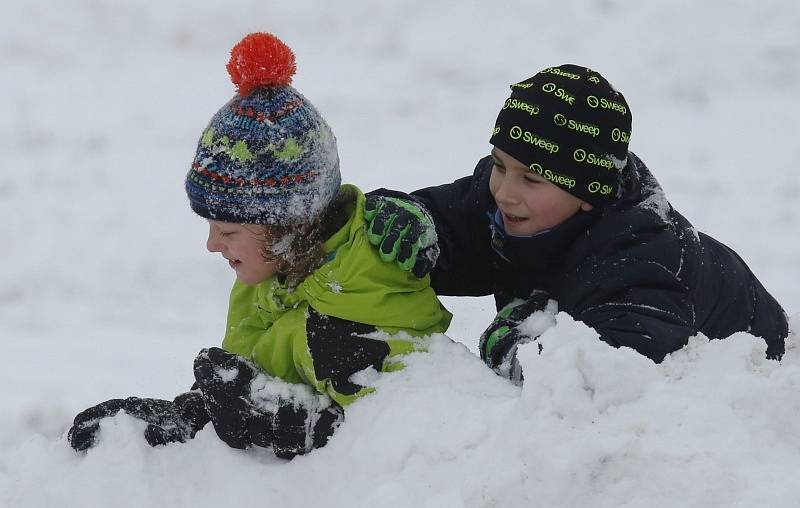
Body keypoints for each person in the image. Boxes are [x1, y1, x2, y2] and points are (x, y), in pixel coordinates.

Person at [67, 33, 451, 458]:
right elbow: (250, 373)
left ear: (287, 227)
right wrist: (187, 418)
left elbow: (409, 422)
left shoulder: (366, 287)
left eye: (228, 231)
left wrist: (305, 425)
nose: (212, 245)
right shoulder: (268, 275)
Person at [365, 64, 788, 384]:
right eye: (499, 165)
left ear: (588, 193)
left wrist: (521, 349)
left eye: (530, 178)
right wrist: (409, 216)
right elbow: (451, 224)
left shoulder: (639, 260)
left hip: (756, 374)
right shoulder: (508, 200)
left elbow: (613, 369)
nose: (505, 190)